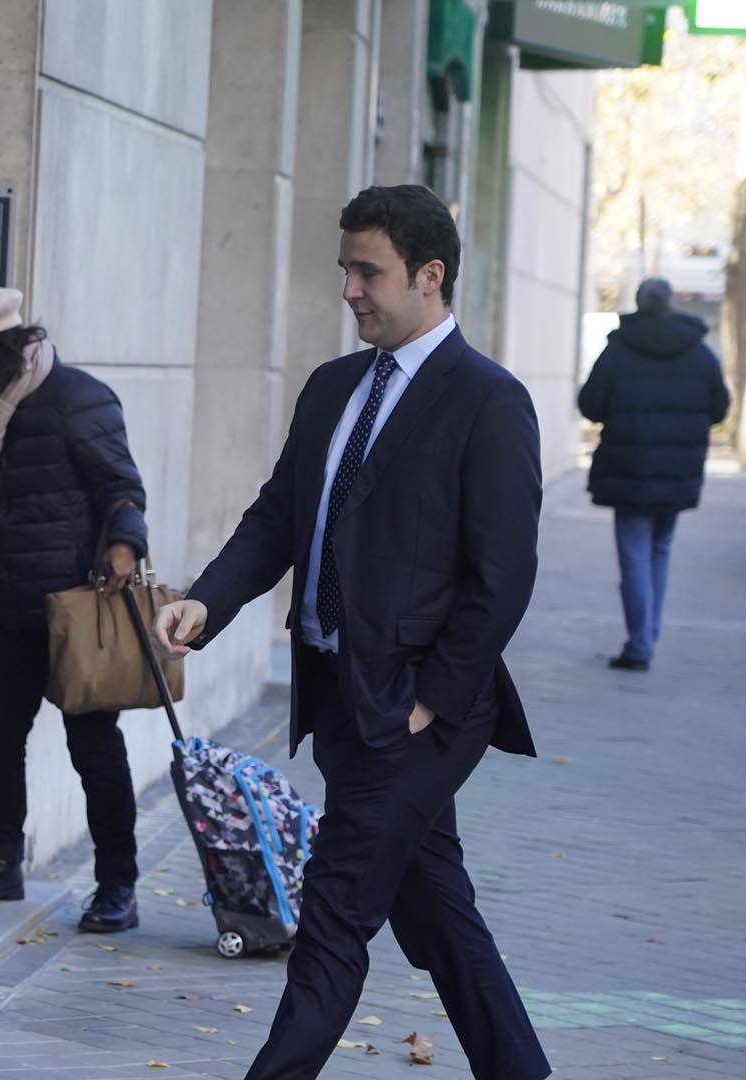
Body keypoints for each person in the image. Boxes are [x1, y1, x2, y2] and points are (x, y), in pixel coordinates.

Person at [154, 185, 550, 1080]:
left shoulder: (489, 403)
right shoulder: (334, 387)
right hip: (339, 696)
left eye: (368, 271)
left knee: (332, 913)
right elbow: (279, 517)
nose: (350, 291)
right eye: (346, 271)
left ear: (430, 275)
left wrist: (431, 705)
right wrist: (208, 603)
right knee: (437, 910)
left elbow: (502, 580)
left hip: (416, 711)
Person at [0, 287, 149, 934]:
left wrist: (123, 543)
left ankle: (118, 883)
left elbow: (123, 485)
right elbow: (4, 500)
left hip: (77, 606)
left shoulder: (77, 399)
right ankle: (1, 862)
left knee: (93, 747)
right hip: (16, 603)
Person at [578, 277, 730, 672]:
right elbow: (720, 408)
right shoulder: (698, 352)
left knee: (634, 557)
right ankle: (648, 632)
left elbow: (590, 403)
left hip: (629, 471)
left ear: (640, 304)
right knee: (659, 552)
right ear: (671, 304)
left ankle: (640, 643)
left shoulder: (619, 348)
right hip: (678, 471)